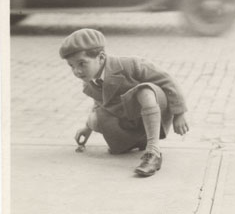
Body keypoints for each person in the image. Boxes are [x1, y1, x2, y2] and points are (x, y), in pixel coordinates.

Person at [59, 28, 189, 177]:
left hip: (155, 110)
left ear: (101, 57)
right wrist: (87, 128)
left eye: (82, 64)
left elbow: (167, 80)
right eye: (72, 66)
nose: (77, 71)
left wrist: (179, 114)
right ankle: (134, 142)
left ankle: (153, 152)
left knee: (145, 91)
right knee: (94, 119)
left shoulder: (131, 64)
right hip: (130, 120)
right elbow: (100, 104)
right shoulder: (90, 83)